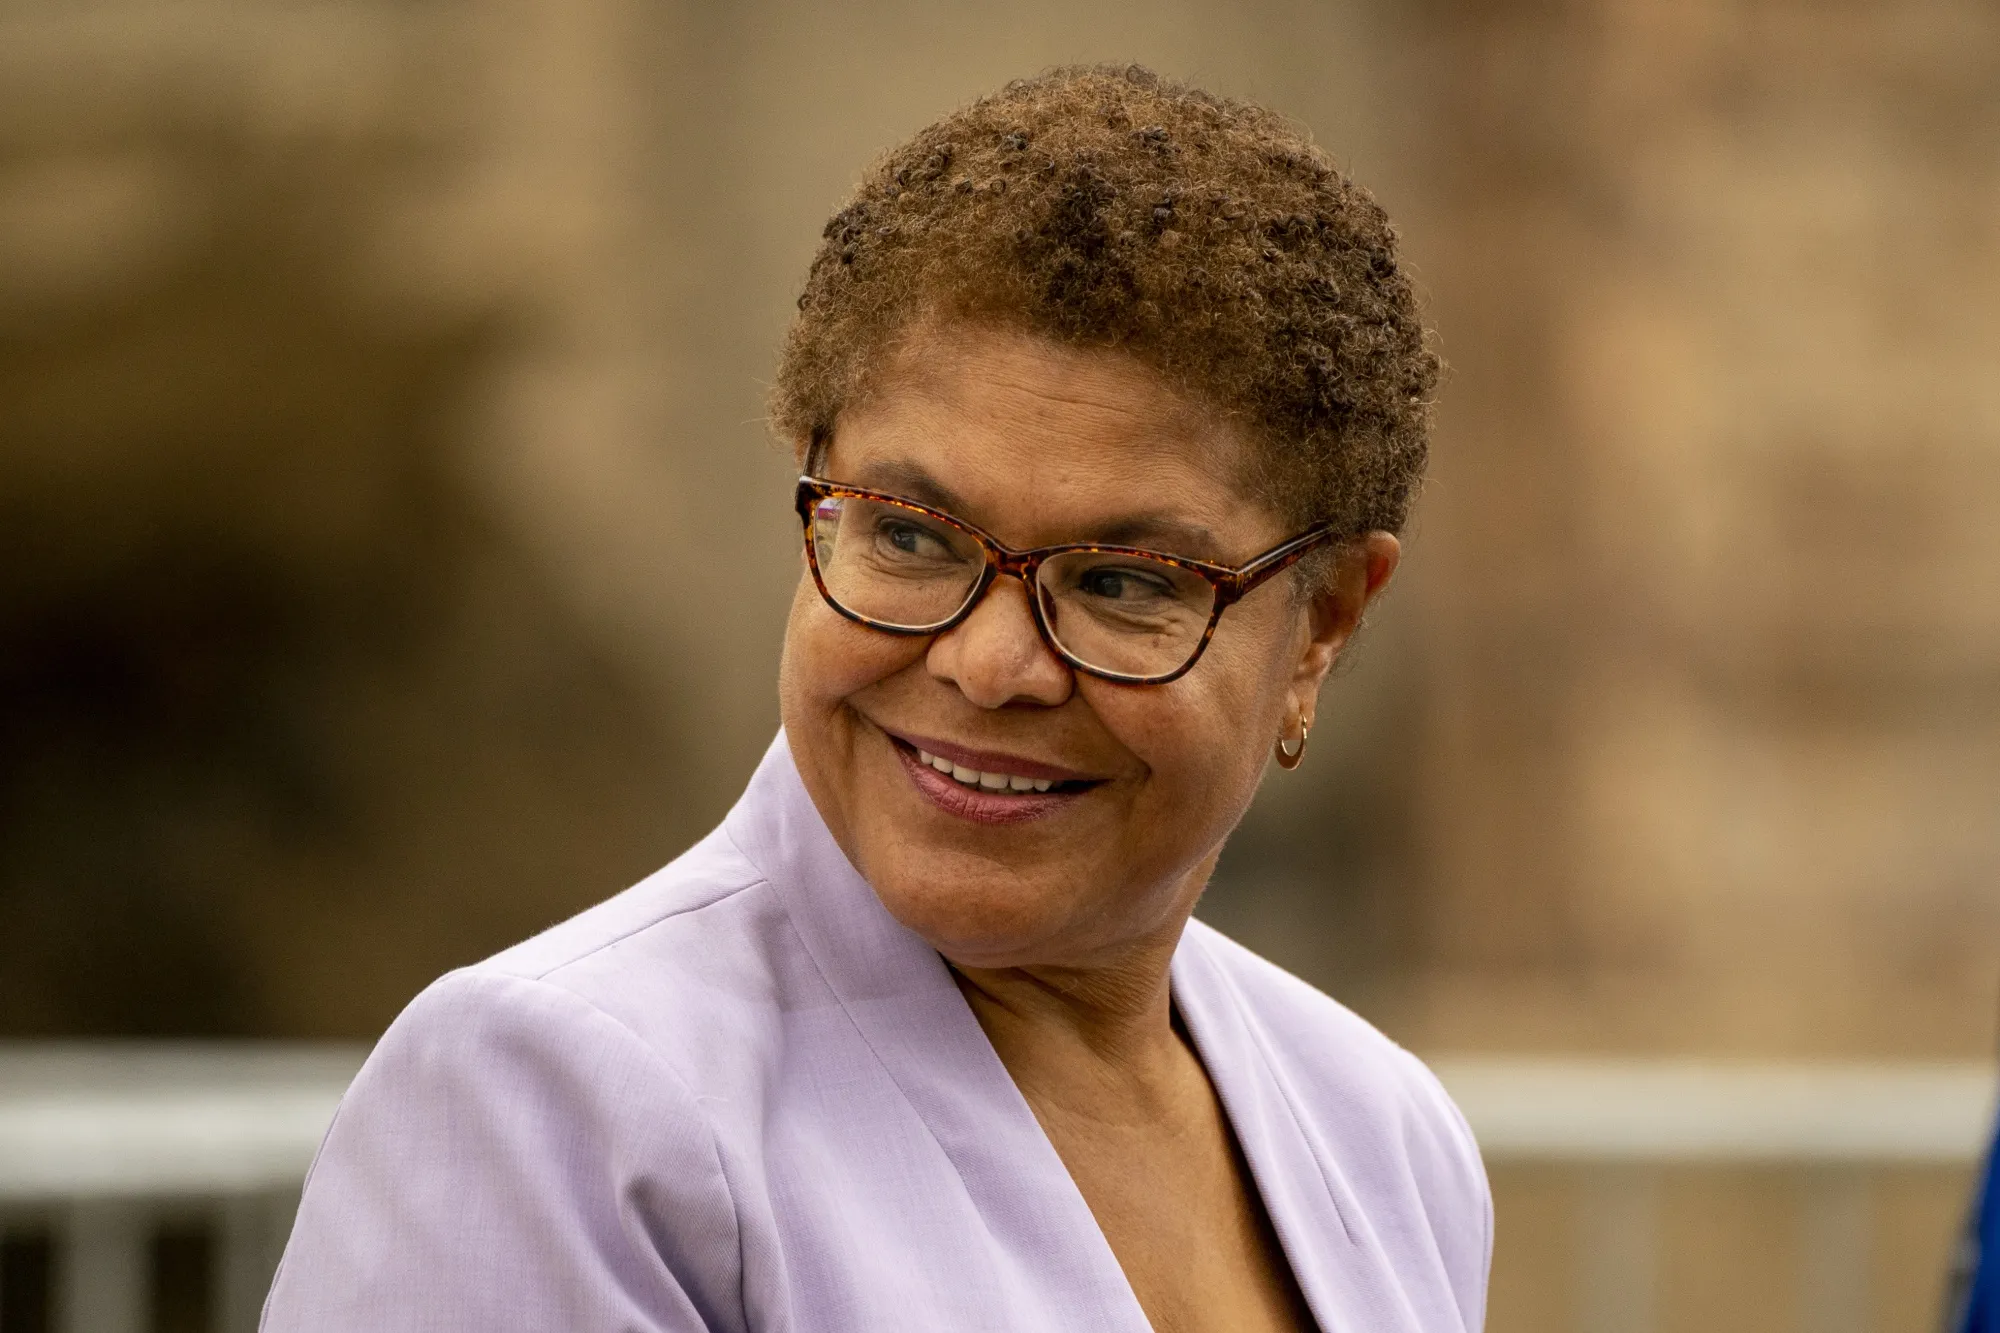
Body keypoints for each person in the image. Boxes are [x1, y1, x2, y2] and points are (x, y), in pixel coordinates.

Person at [263, 65, 1490, 1333]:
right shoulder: (554, 1104)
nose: (988, 665)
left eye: (1123, 581)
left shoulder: (1381, 1139)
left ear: (1321, 624)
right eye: (909, 536)